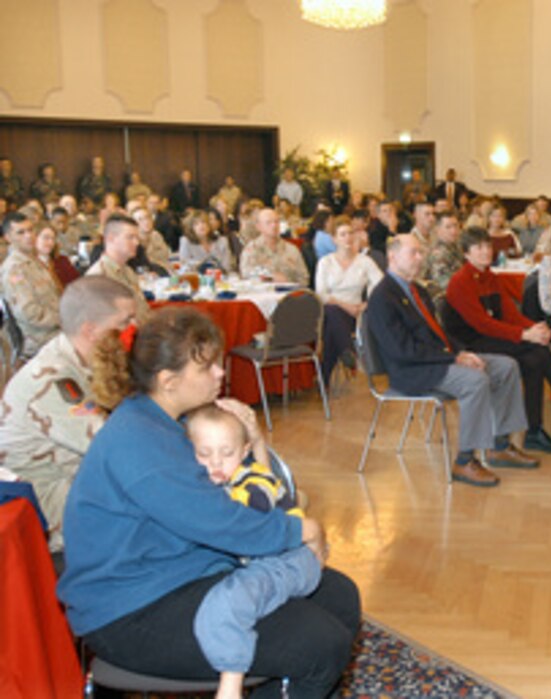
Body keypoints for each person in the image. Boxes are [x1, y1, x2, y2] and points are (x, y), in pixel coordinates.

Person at [57, 307, 360, 695]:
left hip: (178, 572)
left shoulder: (169, 420)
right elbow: (222, 522)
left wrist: (256, 440)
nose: (220, 373)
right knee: (319, 645)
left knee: (338, 596)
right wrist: (302, 529)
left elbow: (248, 495)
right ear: (168, 381)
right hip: (129, 611)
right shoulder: (140, 442)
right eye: (207, 368)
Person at [367, 235, 538, 487]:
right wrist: (454, 357)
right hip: (412, 371)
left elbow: (440, 333)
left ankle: (499, 445)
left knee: (506, 366)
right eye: (413, 253)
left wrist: (463, 352)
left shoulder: (418, 290)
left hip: (437, 361)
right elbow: (402, 350)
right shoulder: (382, 297)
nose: (420, 258)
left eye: (420, 252)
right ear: (392, 257)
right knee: (475, 381)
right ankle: (465, 460)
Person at [186, 404, 322, 699]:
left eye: (227, 453)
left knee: (227, 603)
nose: (216, 464)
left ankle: (231, 681)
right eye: (204, 454)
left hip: (292, 560)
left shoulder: (252, 480)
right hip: (267, 561)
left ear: (245, 450)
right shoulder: (206, 483)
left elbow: (254, 512)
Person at [0, 277, 136, 558]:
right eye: (124, 321)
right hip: (47, 500)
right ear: (91, 331)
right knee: (148, 512)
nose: (132, 329)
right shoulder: (51, 380)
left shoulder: (90, 358)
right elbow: (114, 447)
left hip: (76, 470)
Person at [444, 227, 551, 454]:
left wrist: (532, 327)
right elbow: (481, 324)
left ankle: (534, 429)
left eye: (488, 246)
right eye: (478, 247)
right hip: (468, 345)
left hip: (489, 337)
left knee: (534, 358)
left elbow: (509, 314)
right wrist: (525, 335)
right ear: (466, 253)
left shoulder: (491, 276)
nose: (485, 252)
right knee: (535, 350)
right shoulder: (460, 281)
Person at [314, 216, 383, 383]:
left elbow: (382, 285)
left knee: (332, 330)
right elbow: (321, 294)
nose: (347, 238)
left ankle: (324, 377)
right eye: (342, 234)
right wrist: (346, 306)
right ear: (334, 239)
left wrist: (366, 304)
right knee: (332, 312)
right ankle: (348, 350)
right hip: (331, 311)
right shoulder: (326, 262)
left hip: (357, 314)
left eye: (350, 233)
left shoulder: (364, 261)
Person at [0, 212, 62, 357]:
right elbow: (29, 313)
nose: (28, 235)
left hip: (56, 331)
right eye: (21, 232)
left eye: (30, 230)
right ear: (8, 238)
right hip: (40, 340)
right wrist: (63, 319)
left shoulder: (35, 261)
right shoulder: (14, 270)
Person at [86, 213, 152, 320]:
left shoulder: (128, 271)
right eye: (130, 237)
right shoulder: (99, 277)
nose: (136, 243)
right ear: (111, 238)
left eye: (137, 237)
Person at [239, 209, 310, 285]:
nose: (274, 225)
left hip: (289, 293)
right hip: (262, 293)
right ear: (259, 227)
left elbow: (304, 278)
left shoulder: (291, 250)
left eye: (276, 222)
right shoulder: (252, 249)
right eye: (268, 222)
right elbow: (245, 275)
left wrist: (288, 282)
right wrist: (270, 278)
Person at [420, 211, 464, 303]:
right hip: (444, 300)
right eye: (448, 227)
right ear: (437, 229)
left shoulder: (456, 247)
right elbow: (445, 284)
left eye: (455, 225)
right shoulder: (438, 254)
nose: (453, 230)